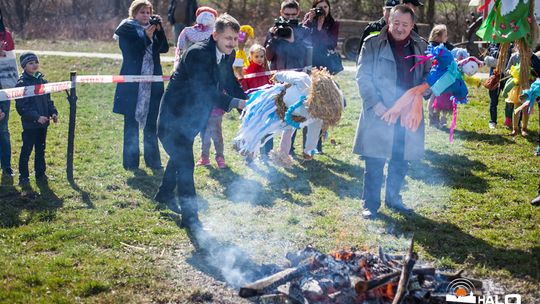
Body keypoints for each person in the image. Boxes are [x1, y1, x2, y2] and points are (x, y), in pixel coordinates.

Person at [156, 14, 248, 228]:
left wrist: (247, 100)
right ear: (215, 35)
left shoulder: (228, 53)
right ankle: (190, 218)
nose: (232, 43)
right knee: (186, 164)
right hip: (173, 118)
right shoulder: (197, 53)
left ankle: (163, 195)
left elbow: (229, 80)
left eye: (235, 38)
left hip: (194, 118)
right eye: (227, 38)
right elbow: (205, 90)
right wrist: (235, 103)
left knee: (180, 157)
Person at [354, 5, 430, 219]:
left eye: (405, 24)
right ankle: (370, 205)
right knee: (374, 159)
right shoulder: (372, 43)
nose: (400, 28)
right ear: (389, 20)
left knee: (400, 157)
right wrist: (376, 104)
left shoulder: (422, 46)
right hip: (380, 111)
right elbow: (363, 77)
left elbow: (429, 77)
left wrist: (423, 93)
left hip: (408, 115)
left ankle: (394, 199)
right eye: (396, 23)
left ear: (412, 25)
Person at [113, 0, 169, 171]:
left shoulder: (152, 26)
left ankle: (153, 161)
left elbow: (164, 48)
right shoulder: (126, 29)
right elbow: (132, 52)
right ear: (133, 13)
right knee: (131, 123)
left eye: (148, 12)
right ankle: (131, 164)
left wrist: (159, 31)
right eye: (142, 12)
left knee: (152, 123)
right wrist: (147, 37)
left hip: (153, 83)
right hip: (132, 85)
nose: (145, 16)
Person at [264, 0, 311, 157]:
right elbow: (268, 56)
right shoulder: (274, 30)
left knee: (293, 112)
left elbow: (304, 55)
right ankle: (266, 150)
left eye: (293, 14)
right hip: (277, 78)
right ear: (281, 13)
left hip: (295, 79)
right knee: (271, 114)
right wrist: (273, 37)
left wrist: (292, 40)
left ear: (298, 13)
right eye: (287, 14)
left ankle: (288, 150)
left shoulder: (303, 31)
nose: (290, 17)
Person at [15, 52, 58, 185]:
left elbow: (48, 100)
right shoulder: (22, 84)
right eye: (30, 63)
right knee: (27, 149)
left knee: (41, 149)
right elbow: (22, 107)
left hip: (43, 124)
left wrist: (53, 112)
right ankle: (23, 177)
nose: (34, 65)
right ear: (24, 66)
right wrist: (36, 117)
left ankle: (40, 174)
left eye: (35, 62)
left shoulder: (42, 81)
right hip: (30, 124)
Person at [427, 24, 454, 128]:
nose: (447, 38)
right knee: (434, 97)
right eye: (445, 35)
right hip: (435, 76)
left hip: (443, 76)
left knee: (443, 98)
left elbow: (452, 50)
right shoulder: (432, 46)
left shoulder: (444, 45)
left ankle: (441, 119)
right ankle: (432, 117)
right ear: (438, 36)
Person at [302, 0, 340, 73]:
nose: (323, 9)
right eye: (320, 7)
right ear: (314, 8)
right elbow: (302, 36)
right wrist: (309, 20)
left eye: (325, 7)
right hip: (307, 56)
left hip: (324, 58)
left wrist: (320, 28)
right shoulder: (309, 18)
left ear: (329, 8)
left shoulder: (334, 23)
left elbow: (332, 44)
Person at [0, 9, 16, 176]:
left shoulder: (6, 36)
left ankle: (6, 166)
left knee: (2, 129)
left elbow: (10, 64)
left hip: (4, 88)